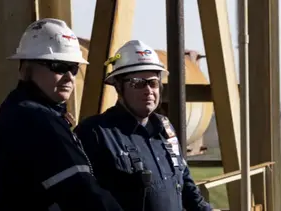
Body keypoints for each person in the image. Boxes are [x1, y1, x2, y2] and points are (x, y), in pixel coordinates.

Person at [0, 18, 124, 211]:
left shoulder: (20, 109)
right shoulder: (36, 119)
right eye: (58, 66)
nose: (69, 77)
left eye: (74, 68)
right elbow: (82, 194)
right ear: (27, 68)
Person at [74, 40, 213, 211]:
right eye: (138, 83)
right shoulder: (95, 133)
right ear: (118, 86)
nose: (148, 90)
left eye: (153, 82)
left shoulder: (165, 129)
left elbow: (186, 187)